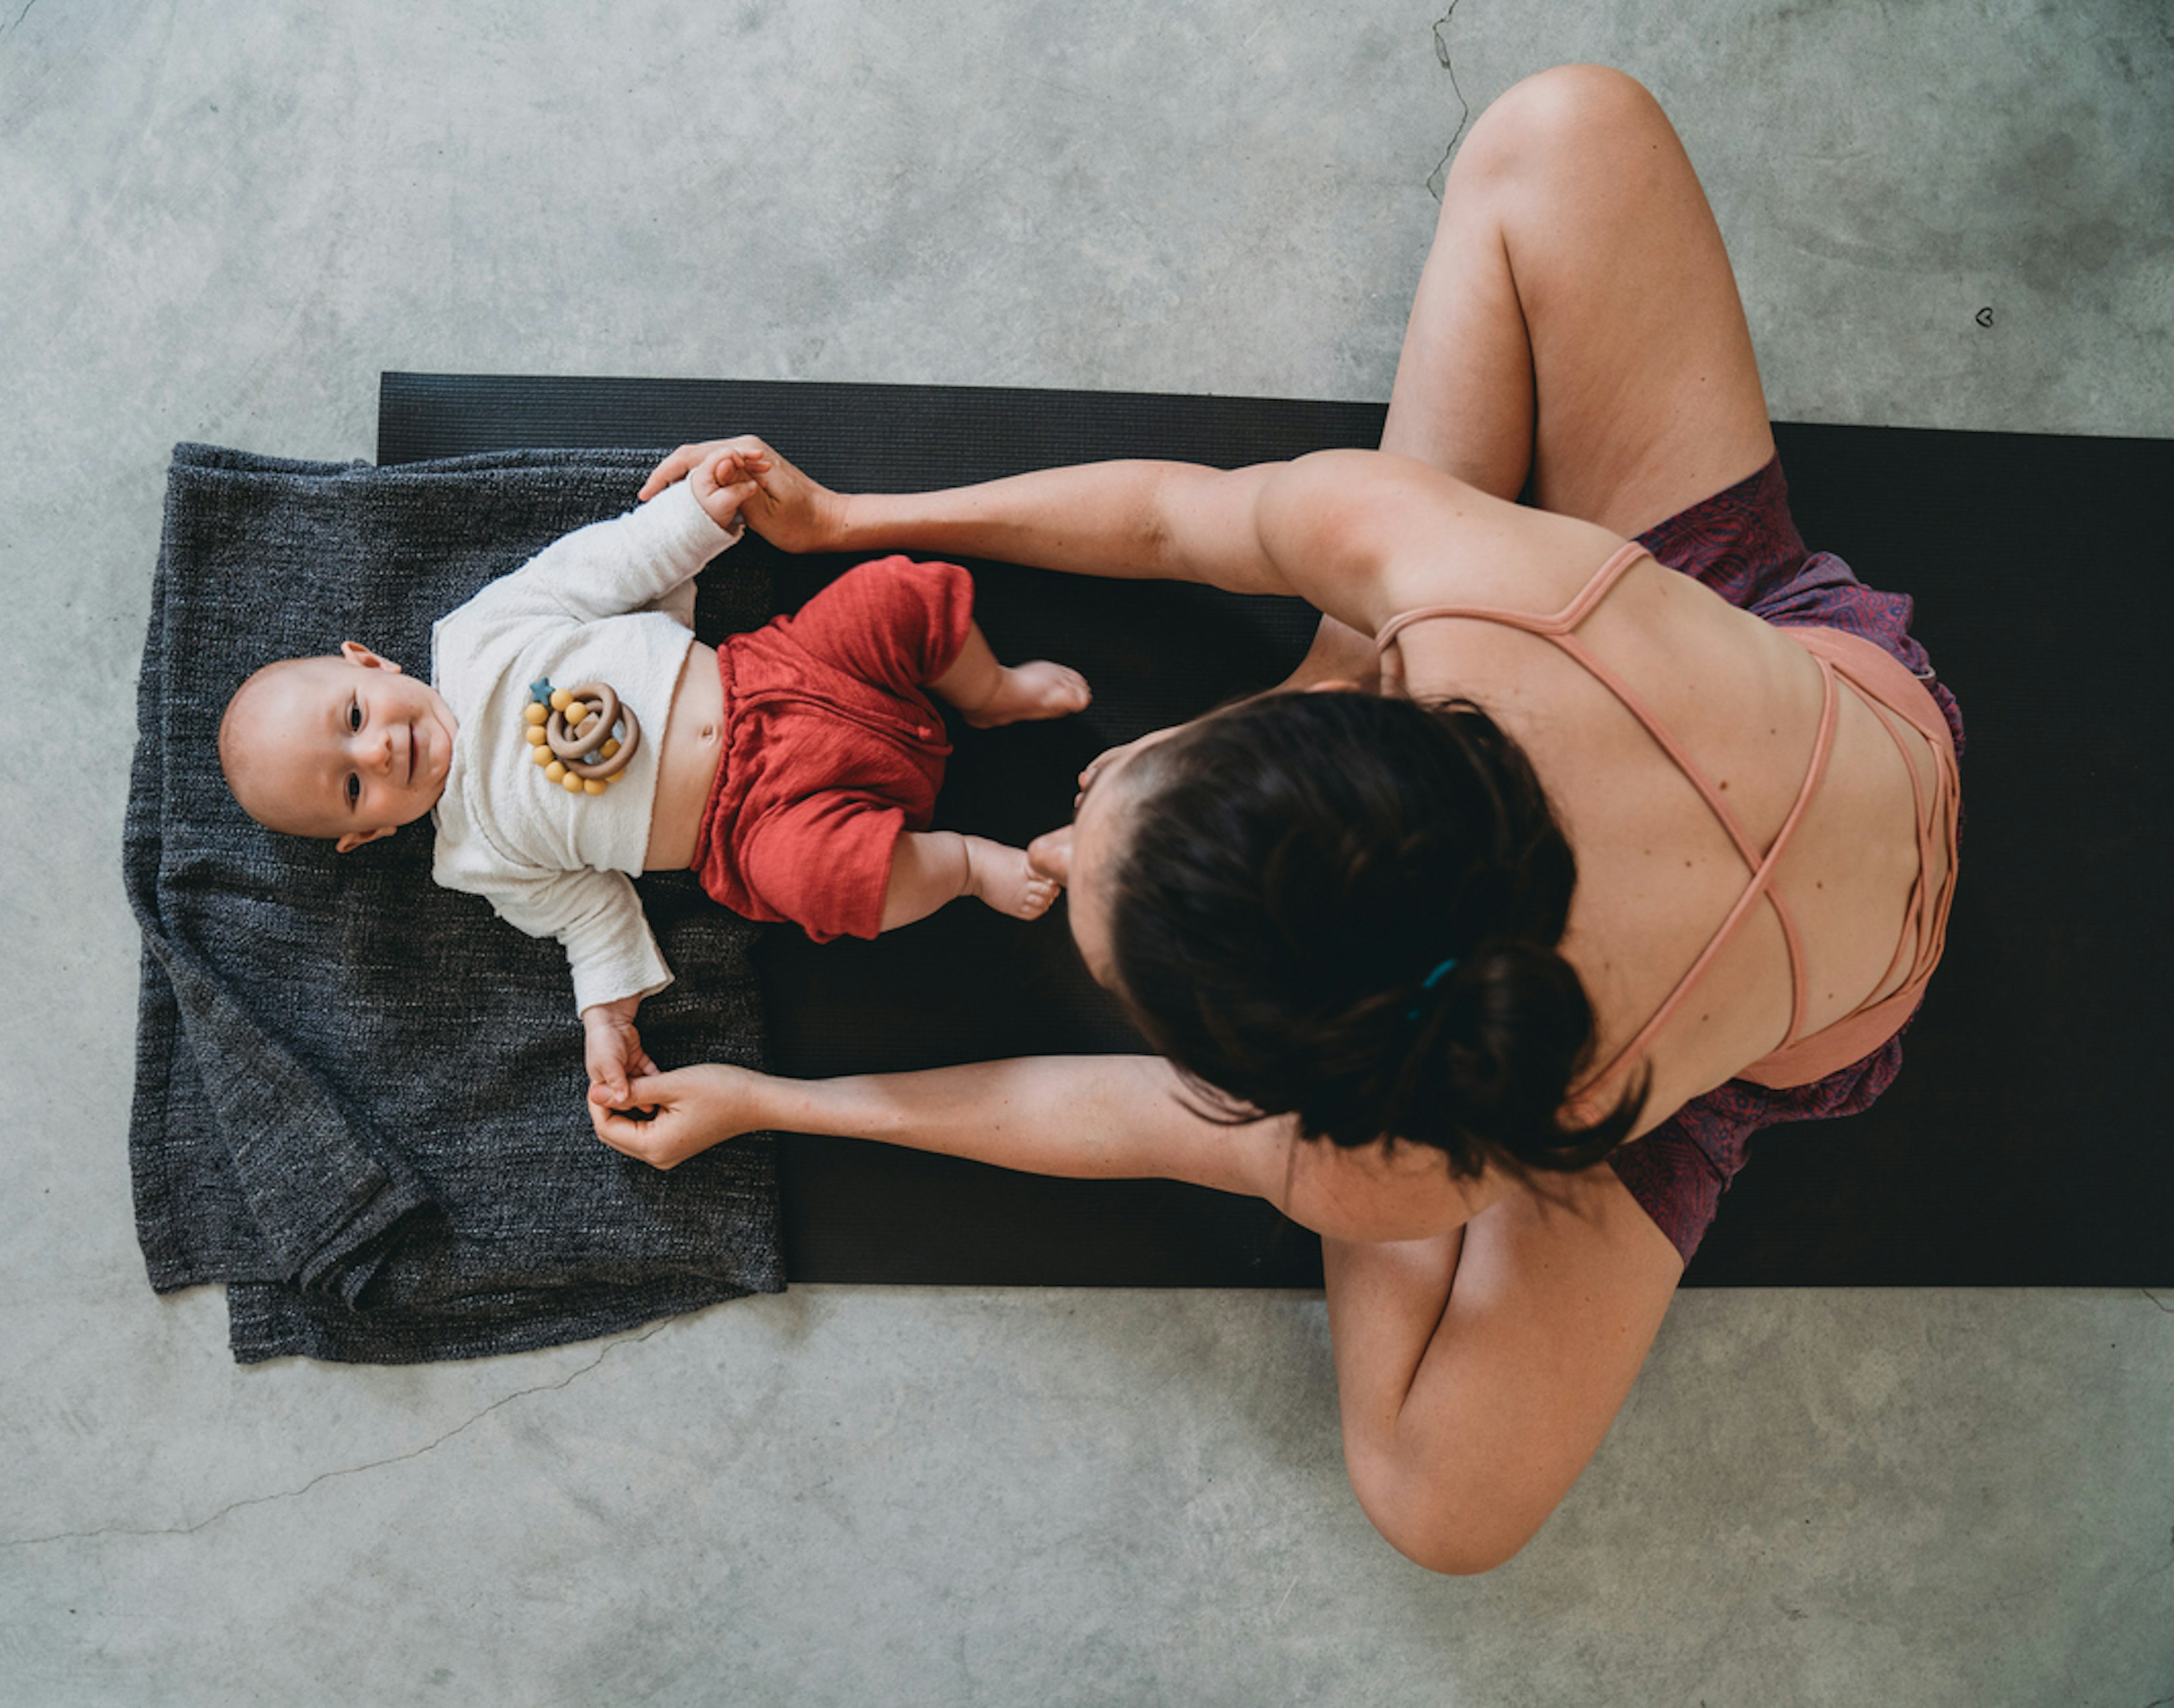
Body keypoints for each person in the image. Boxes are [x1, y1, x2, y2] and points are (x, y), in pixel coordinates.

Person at [585, 65, 1963, 1575]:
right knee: (1561, 126)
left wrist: (784, 1104)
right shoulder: (1458, 578)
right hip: (1788, 673)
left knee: (1436, 1505)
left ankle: (1316, 716)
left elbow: (1112, 1124)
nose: (1088, 784)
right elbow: (1182, 517)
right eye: (1127, 779)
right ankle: (1319, 675)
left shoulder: (1403, 1159)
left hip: (1795, 1017)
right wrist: (858, 523)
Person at [217, 445, 1091, 1111]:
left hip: (779, 670)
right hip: (751, 826)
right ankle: (970, 864)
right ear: (370, 833)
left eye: (356, 719)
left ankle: (988, 691)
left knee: (902, 595)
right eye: (353, 789)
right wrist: (607, 1017)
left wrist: (697, 516)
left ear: (371, 663)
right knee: (831, 885)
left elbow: (605, 567)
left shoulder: (478, 636)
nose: (377, 755)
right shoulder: (474, 853)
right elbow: (588, 913)